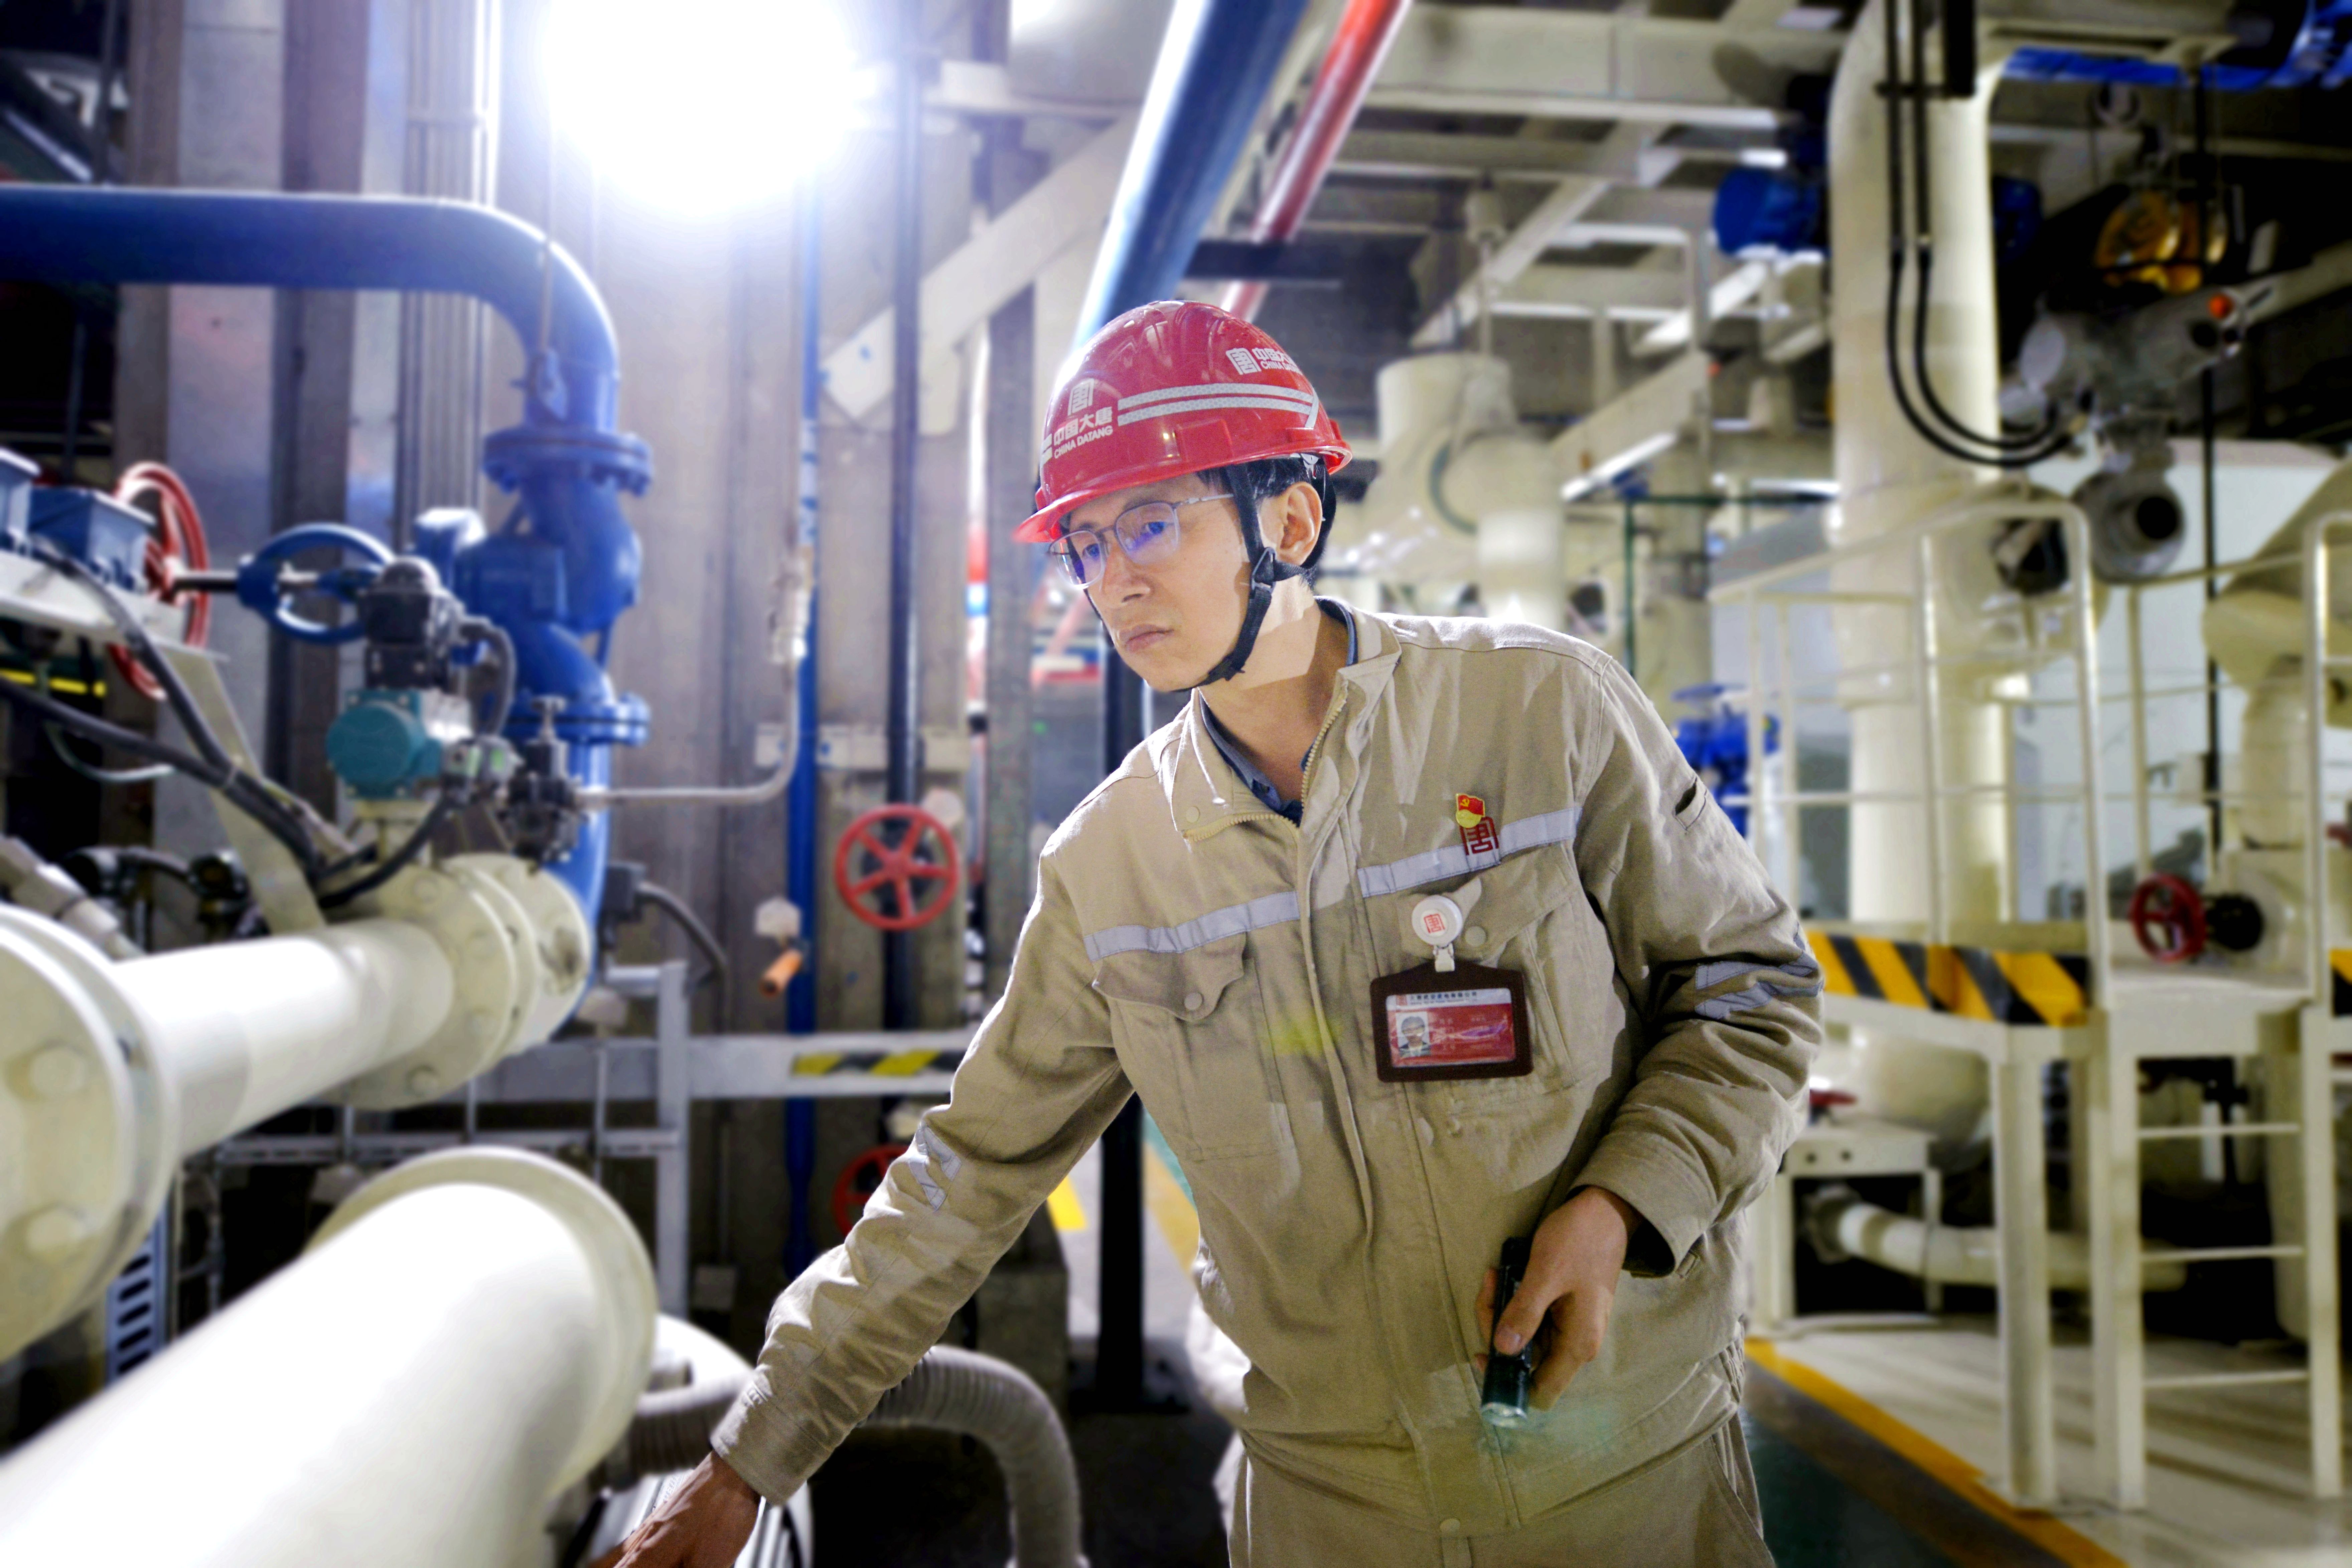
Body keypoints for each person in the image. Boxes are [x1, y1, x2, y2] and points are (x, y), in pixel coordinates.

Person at [612, 301, 1821, 1567]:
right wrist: (748, 1463)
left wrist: (1623, 1205)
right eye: (1086, 542)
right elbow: (966, 1176)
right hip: (1333, 1516)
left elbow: (1751, 989)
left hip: (1624, 1477)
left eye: (1152, 522)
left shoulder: (1542, 713)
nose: (1112, 579)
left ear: (1289, 523)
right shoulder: (1114, 864)